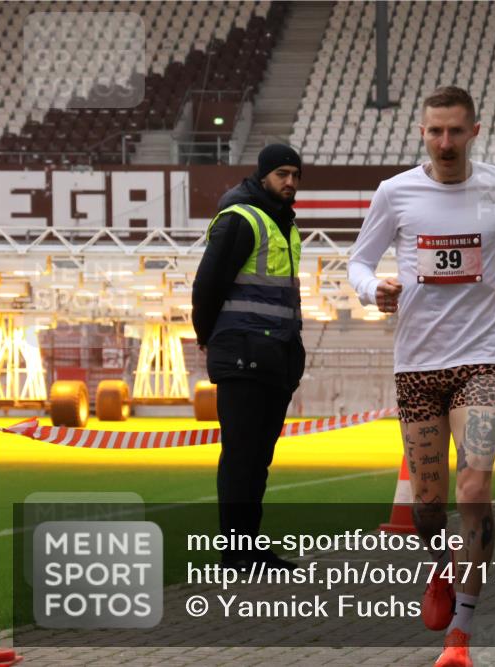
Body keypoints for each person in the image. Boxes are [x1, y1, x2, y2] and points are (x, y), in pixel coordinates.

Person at [347, 86, 495, 667]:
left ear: (474, 131)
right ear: (421, 132)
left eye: (455, 131)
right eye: (435, 131)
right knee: (430, 507)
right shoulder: (396, 193)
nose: (445, 143)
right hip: (417, 363)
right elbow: (359, 261)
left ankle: (460, 632)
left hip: (483, 356)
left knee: (476, 490)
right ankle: (439, 568)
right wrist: (373, 289)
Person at [191, 144, 306, 570]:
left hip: (275, 355)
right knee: (242, 456)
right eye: (281, 174)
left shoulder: (284, 225)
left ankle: (250, 547)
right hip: (242, 353)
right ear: (262, 176)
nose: (290, 182)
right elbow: (207, 287)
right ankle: (235, 554)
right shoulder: (242, 219)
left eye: (295, 174)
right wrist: (207, 336)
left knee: (258, 458)